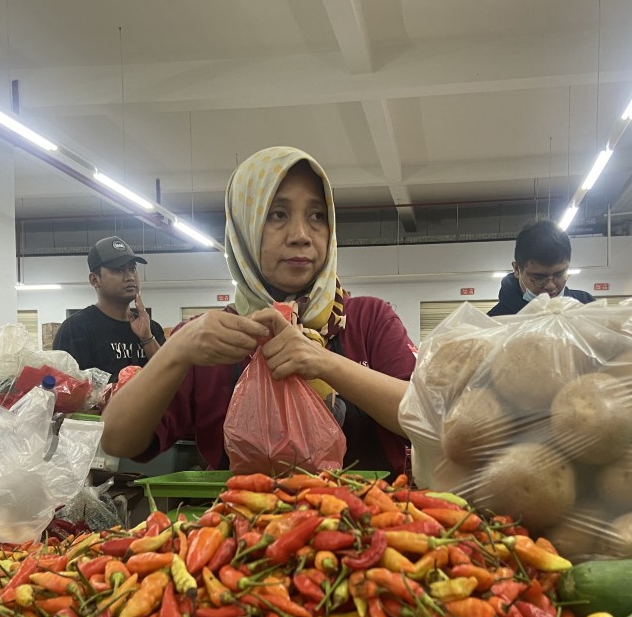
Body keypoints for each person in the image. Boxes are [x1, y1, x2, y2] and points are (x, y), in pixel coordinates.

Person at [100, 146, 416, 475]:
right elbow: (116, 441)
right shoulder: (209, 338)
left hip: (368, 521)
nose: (301, 236)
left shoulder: (368, 320)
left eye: (317, 215)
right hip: (242, 523)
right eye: (277, 215)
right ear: (244, 227)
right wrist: (176, 350)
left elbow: (427, 418)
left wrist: (324, 362)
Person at [52, 235, 165, 377]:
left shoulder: (152, 329)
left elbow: (169, 379)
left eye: (133, 269)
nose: (130, 276)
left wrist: (147, 338)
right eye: (118, 270)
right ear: (95, 280)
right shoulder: (76, 330)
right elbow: (66, 390)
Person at [488, 218, 595, 317]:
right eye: (539, 277)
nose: (550, 286)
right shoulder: (495, 321)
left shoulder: (586, 306)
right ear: (517, 270)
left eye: (559, 274)